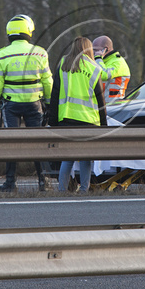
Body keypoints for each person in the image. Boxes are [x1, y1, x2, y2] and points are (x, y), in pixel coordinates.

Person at [0, 14, 54, 192]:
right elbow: (48, 81)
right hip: (35, 104)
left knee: (12, 143)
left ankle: (10, 183)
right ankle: (43, 182)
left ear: (9, 32)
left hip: (11, 106)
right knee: (38, 143)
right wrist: (49, 103)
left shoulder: (1, 54)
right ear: (28, 31)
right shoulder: (40, 53)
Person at [49, 37, 108, 193]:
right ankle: (83, 190)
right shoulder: (94, 68)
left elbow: (55, 94)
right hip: (89, 120)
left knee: (67, 158)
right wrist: (104, 125)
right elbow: (100, 100)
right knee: (85, 158)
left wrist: (53, 121)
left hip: (66, 118)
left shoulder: (63, 64)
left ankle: (62, 190)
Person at [93, 36, 131, 104]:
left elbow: (103, 75)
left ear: (105, 49)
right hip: (103, 104)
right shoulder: (101, 62)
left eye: (96, 50)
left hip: (116, 104)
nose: (93, 53)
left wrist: (98, 58)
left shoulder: (118, 62)